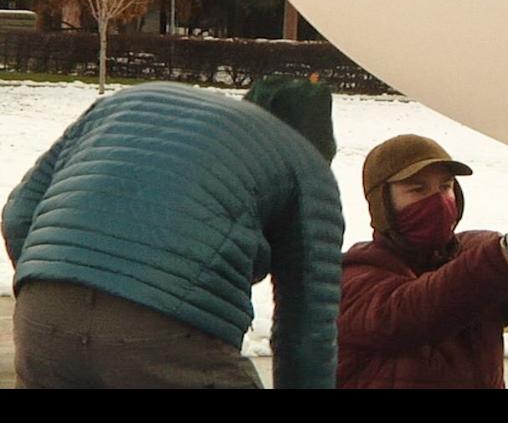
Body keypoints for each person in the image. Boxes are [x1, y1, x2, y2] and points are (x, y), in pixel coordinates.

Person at [3, 76, 344, 388]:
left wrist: (62, 283)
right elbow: (308, 330)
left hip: (43, 317)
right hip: (164, 332)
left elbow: (19, 215)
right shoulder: (307, 167)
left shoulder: (126, 102)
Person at [337, 134, 508, 388]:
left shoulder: (474, 252)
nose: (437, 200)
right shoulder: (353, 277)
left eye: (445, 187)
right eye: (418, 189)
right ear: (382, 203)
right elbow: (418, 310)